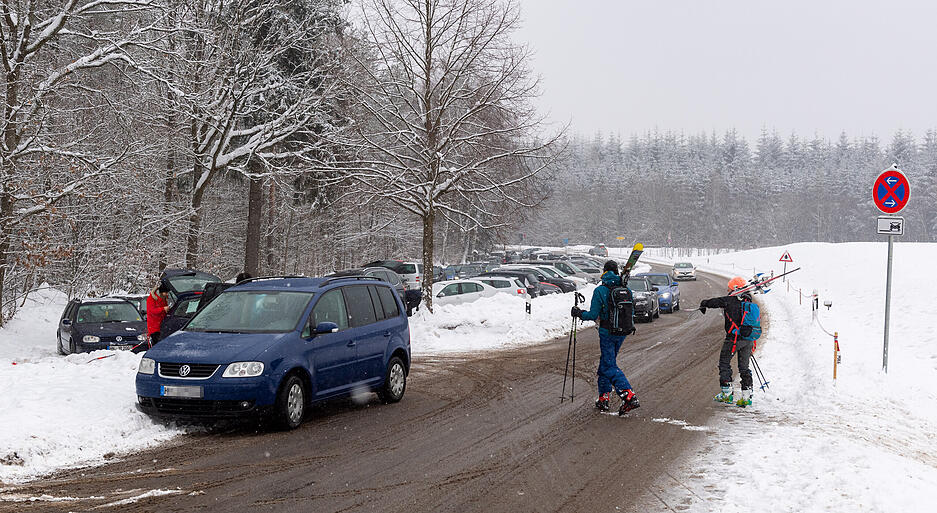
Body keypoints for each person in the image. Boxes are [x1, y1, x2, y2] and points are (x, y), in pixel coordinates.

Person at [571, 260, 640, 415]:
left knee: (609, 366)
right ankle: (603, 398)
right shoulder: (625, 289)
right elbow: (631, 312)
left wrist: (578, 313)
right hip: (623, 332)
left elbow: (593, 315)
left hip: (607, 333)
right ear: (616, 272)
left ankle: (628, 395)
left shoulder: (600, 290)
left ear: (604, 271)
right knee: (605, 364)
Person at [699, 276, 757, 407]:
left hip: (733, 339)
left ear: (734, 288)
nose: (727, 290)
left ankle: (726, 394)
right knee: (744, 367)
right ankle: (746, 397)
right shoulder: (749, 302)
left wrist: (704, 303)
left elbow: (715, 302)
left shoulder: (730, 300)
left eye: (729, 288)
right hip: (748, 339)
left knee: (724, 364)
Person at [146, 279, 171, 346]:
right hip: (154, 327)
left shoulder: (163, 299)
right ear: (161, 292)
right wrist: (163, 309)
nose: (167, 294)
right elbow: (152, 311)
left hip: (162, 325)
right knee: (156, 344)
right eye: (166, 292)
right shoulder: (151, 299)